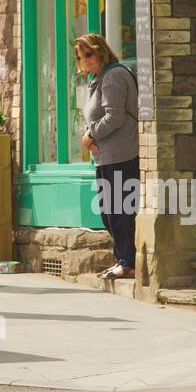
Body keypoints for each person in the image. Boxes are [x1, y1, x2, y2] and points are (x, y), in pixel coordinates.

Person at [76, 33, 141, 280]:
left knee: (119, 210)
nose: (85, 61)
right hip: (107, 155)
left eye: (89, 54)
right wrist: (91, 135)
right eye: (81, 57)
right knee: (109, 211)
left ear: (101, 51)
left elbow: (115, 117)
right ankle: (122, 259)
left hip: (121, 154)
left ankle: (127, 262)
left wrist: (90, 136)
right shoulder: (99, 78)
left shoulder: (113, 76)